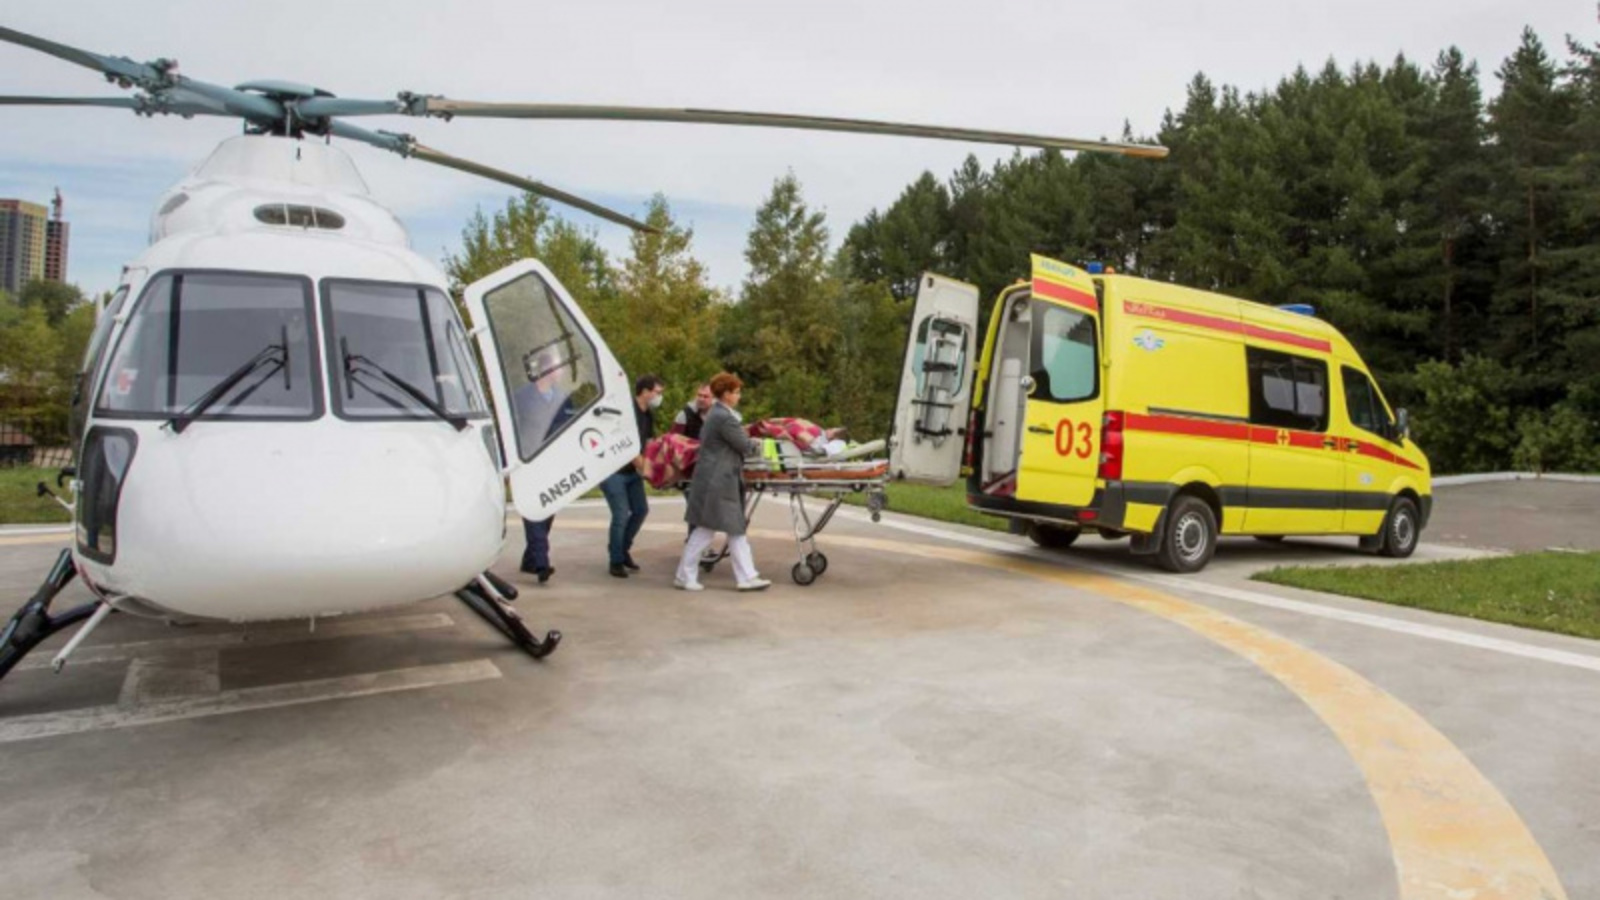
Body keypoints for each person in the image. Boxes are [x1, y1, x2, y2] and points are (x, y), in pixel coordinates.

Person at [675, 373, 770, 592]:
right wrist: (758, 444)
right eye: (736, 392)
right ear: (726, 394)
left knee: (728, 530)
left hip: (717, 479)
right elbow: (744, 446)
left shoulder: (718, 414)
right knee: (709, 530)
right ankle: (686, 575)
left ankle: (746, 576)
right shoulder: (723, 417)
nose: (739, 396)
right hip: (718, 481)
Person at [514, 350, 575, 584]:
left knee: (548, 510)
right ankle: (541, 562)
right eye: (559, 367)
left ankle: (530, 559)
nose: (562, 372)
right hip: (529, 461)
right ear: (547, 369)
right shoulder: (521, 397)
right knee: (533, 510)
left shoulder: (562, 397)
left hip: (553, 463)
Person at [601, 374, 664, 578]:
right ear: (645, 392)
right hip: (614, 471)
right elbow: (628, 448)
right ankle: (616, 561)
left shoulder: (648, 414)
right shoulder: (627, 412)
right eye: (657, 392)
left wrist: (657, 464)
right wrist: (647, 471)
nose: (659, 397)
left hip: (632, 473)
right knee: (621, 514)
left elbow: (649, 443)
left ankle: (622, 548)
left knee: (640, 510)